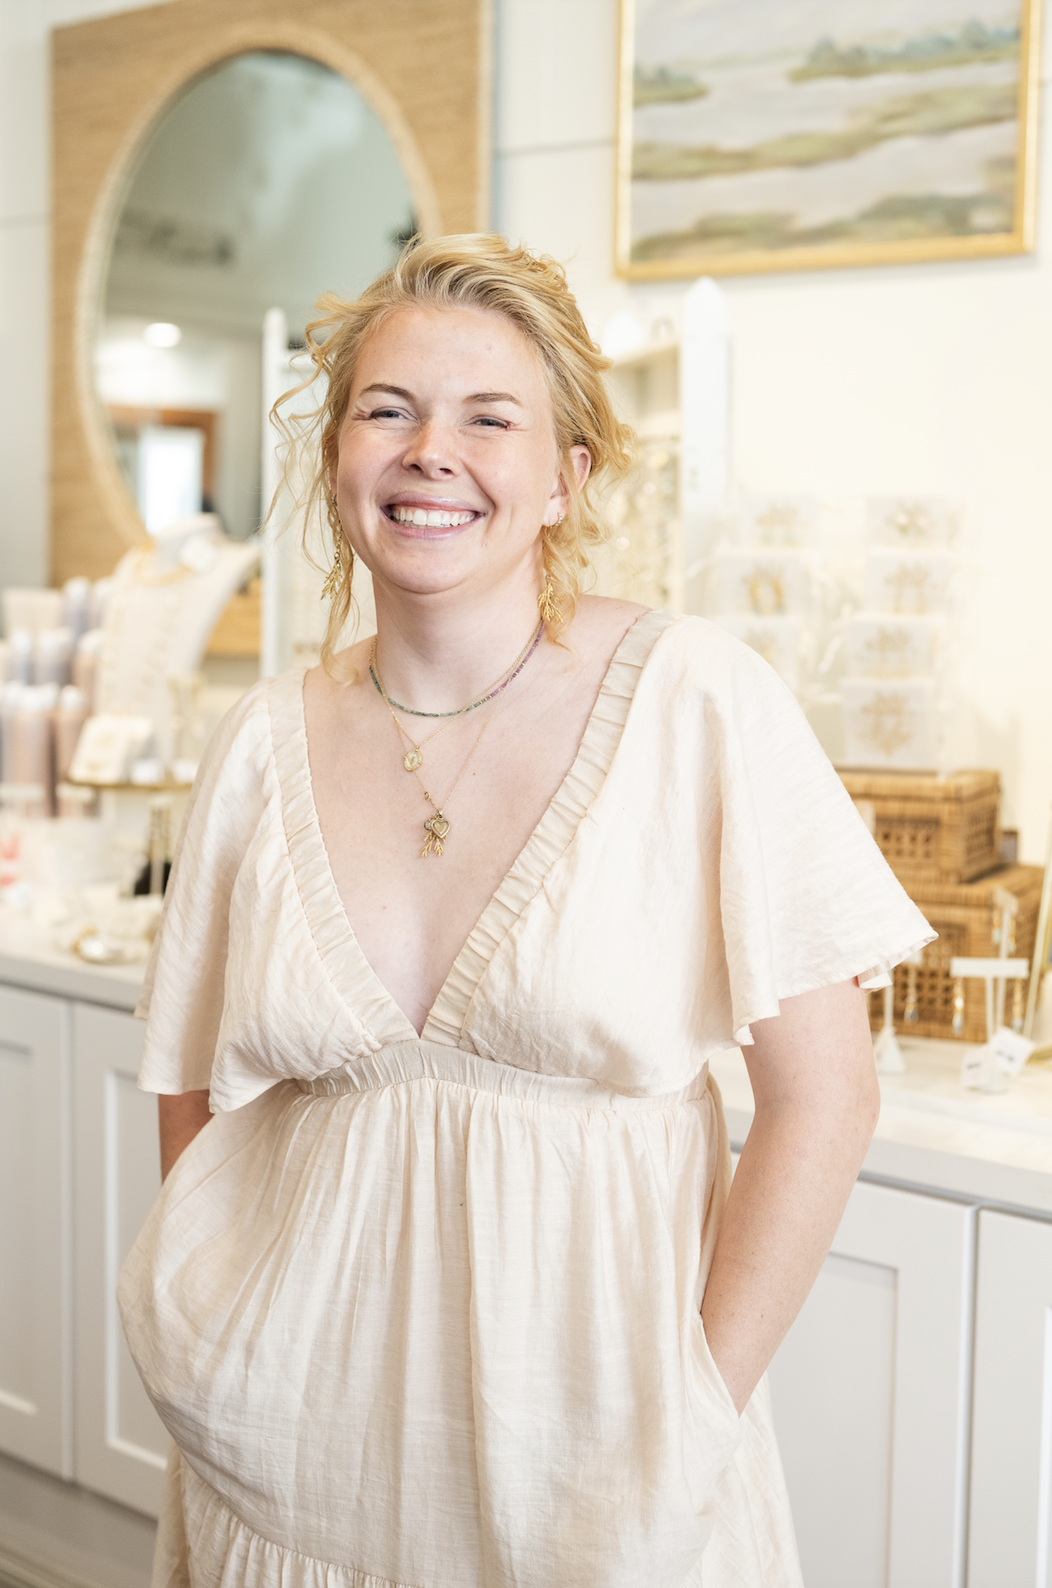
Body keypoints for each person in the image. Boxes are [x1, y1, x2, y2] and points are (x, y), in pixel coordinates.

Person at [119, 234, 933, 1588]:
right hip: (286, 1482)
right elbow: (194, 1086)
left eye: (489, 418)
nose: (430, 451)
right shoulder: (260, 742)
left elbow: (826, 1097)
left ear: (567, 478)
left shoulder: (695, 700)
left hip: (611, 1488)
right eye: (388, 410)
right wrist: (215, 1341)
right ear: (336, 458)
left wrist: (697, 1415)